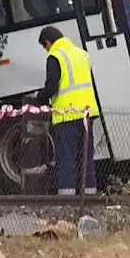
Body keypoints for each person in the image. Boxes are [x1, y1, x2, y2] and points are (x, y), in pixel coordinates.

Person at [32, 26, 101, 195]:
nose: (46, 50)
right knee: (86, 156)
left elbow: (51, 87)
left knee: (66, 157)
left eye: (45, 46)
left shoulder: (55, 56)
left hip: (66, 115)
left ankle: (67, 197)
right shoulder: (82, 54)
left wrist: (38, 97)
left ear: (48, 43)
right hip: (86, 114)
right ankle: (90, 195)